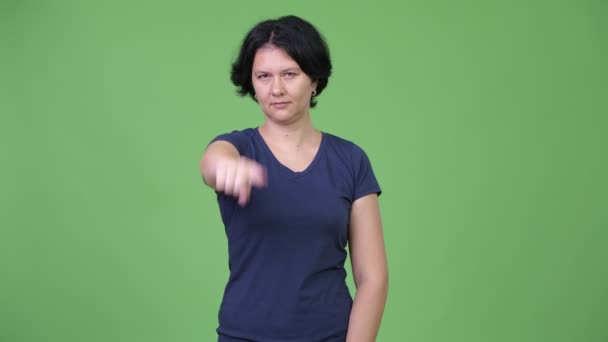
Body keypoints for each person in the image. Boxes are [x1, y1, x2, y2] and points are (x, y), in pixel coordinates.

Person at [199, 15, 388, 342]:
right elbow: (213, 161)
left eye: (290, 74)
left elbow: (373, 277)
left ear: (314, 79)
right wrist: (226, 169)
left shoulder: (351, 160)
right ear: (252, 85)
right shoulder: (239, 147)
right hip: (245, 335)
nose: (276, 89)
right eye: (263, 76)